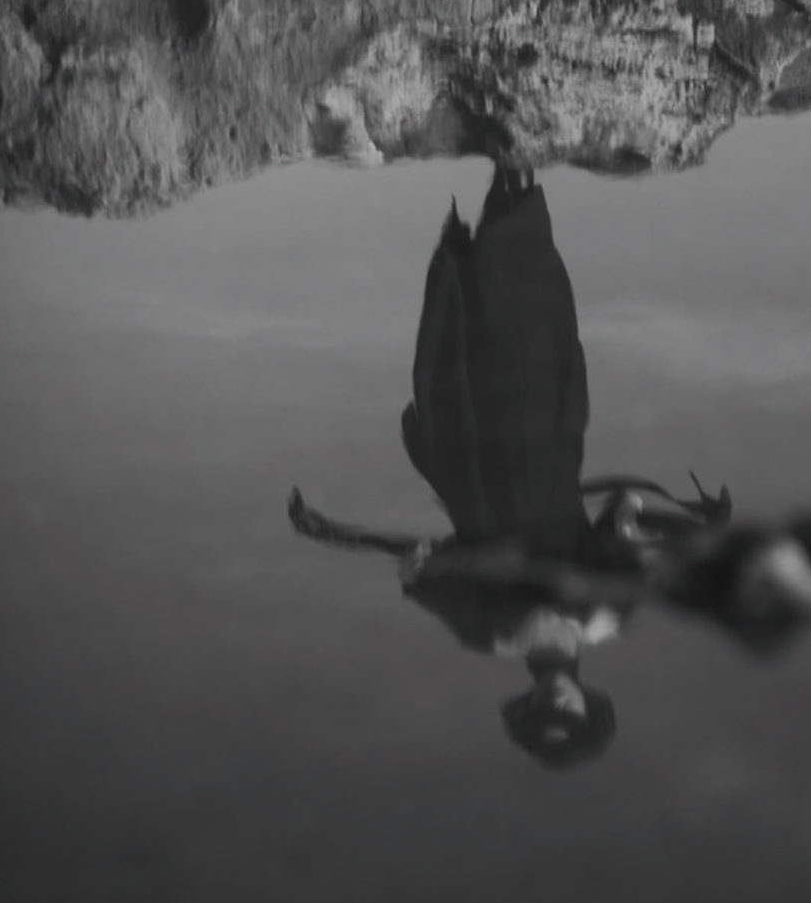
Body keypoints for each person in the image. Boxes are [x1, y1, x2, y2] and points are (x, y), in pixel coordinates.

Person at [289, 164, 726, 768]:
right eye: (569, 714)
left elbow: (422, 574)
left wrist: (395, 554)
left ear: (528, 704)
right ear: (588, 704)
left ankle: (497, 199)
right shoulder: (609, 614)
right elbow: (615, 523)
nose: (556, 703)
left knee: (466, 344)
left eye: (544, 713)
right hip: (547, 453)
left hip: (472, 464)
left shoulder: (488, 634)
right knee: (536, 334)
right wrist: (651, 522)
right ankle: (516, 184)